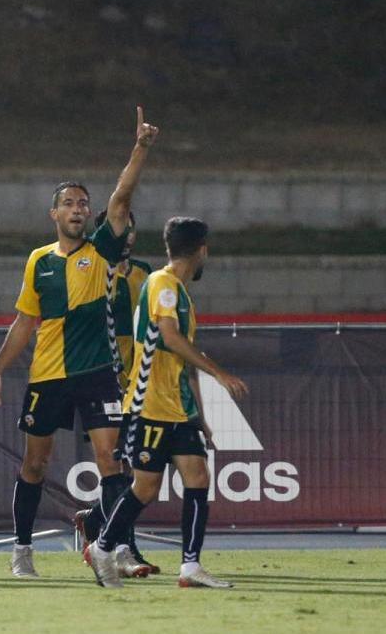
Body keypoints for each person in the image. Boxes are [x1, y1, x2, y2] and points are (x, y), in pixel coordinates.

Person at [0, 107, 159, 578]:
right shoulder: (38, 261)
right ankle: (22, 550)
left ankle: (116, 547)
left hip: (98, 371)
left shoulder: (100, 251)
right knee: (34, 464)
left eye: (84, 203)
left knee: (110, 459)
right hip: (48, 375)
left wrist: (139, 149)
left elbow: (121, 200)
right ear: (54, 213)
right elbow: (24, 322)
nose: (80, 209)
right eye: (71, 204)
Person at [87, 216, 248, 589]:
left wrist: (201, 417)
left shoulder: (178, 291)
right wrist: (219, 373)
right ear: (202, 249)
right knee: (145, 488)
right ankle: (103, 546)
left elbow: (182, 360)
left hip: (178, 408)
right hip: (150, 405)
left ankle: (190, 567)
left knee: (198, 476)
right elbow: (171, 339)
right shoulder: (163, 284)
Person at [72, 209, 159, 578]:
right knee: (120, 468)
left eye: (129, 229)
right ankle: (125, 549)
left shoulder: (146, 275)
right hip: (104, 380)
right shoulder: (91, 271)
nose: (125, 236)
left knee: (133, 468)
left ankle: (95, 520)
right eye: (116, 230)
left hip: (138, 385)